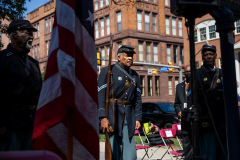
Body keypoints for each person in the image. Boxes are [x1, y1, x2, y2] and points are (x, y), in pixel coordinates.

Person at [0, 19, 42, 151]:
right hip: (10, 124)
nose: (32, 36)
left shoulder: (34, 63)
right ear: (15, 35)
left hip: (32, 124)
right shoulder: (2, 59)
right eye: (27, 32)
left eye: (32, 33)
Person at [98, 45, 142, 160]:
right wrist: (103, 117)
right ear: (119, 57)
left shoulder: (135, 75)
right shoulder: (107, 71)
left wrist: (138, 117)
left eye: (131, 56)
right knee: (114, 152)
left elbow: (138, 98)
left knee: (130, 154)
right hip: (113, 115)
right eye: (127, 55)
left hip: (129, 116)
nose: (130, 58)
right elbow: (101, 95)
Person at [188, 45, 227, 160]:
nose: (209, 57)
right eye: (206, 55)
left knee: (223, 150)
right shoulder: (197, 73)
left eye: (211, 54)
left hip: (221, 118)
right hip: (206, 118)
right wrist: (191, 115)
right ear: (202, 58)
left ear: (215, 56)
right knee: (209, 151)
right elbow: (190, 96)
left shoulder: (222, 72)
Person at [174, 64, 192, 160]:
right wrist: (178, 112)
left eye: (190, 72)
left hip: (195, 121)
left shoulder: (197, 85)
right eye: (187, 72)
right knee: (187, 146)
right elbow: (176, 104)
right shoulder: (179, 87)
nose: (188, 74)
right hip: (185, 122)